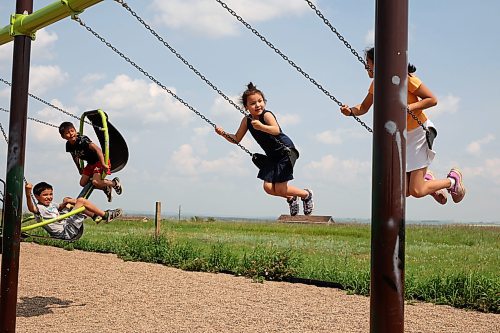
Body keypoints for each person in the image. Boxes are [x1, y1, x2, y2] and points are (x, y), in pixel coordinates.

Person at [339, 47, 465, 204]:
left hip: (420, 132)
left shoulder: (406, 79)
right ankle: (428, 180)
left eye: (368, 64)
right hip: (403, 138)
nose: (366, 68)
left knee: (417, 191)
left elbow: (432, 99)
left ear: (380, 63)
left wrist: (408, 108)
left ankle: (452, 181)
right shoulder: (376, 84)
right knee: (403, 191)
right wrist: (350, 111)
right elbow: (364, 107)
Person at [215, 82, 314, 216]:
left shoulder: (266, 115)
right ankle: (291, 198)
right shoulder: (246, 121)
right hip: (272, 156)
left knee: (280, 188)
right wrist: (223, 134)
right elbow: (237, 139)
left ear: (264, 102)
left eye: (260, 101)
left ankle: (306, 195)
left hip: (285, 151)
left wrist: (261, 126)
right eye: (253, 103)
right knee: (268, 188)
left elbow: (276, 130)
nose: (257, 105)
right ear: (246, 107)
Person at [25, 182, 123, 241]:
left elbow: (59, 208)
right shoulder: (38, 208)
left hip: (66, 224)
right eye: (45, 195)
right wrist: (28, 193)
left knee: (67, 201)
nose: (49, 197)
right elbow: (31, 208)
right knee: (81, 201)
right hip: (66, 232)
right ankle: (105, 215)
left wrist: (66, 201)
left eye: (51, 194)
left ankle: (94, 216)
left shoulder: (50, 204)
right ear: (37, 196)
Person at [59, 121, 122, 202]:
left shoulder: (82, 140)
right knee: (82, 183)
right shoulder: (68, 145)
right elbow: (74, 156)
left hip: (99, 160)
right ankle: (105, 187)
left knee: (95, 182)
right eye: (67, 133)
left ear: (75, 130)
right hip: (90, 164)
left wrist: (103, 163)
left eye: (72, 131)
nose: (71, 134)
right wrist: (79, 168)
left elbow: (98, 150)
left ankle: (114, 183)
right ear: (63, 136)